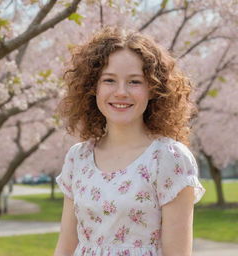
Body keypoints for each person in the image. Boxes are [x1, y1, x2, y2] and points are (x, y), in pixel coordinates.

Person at [54, 26, 206, 256]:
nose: (121, 92)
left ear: (153, 89)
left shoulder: (169, 158)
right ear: (93, 87)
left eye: (134, 81)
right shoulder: (78, 158)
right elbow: (65, 247)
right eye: (109, 80)